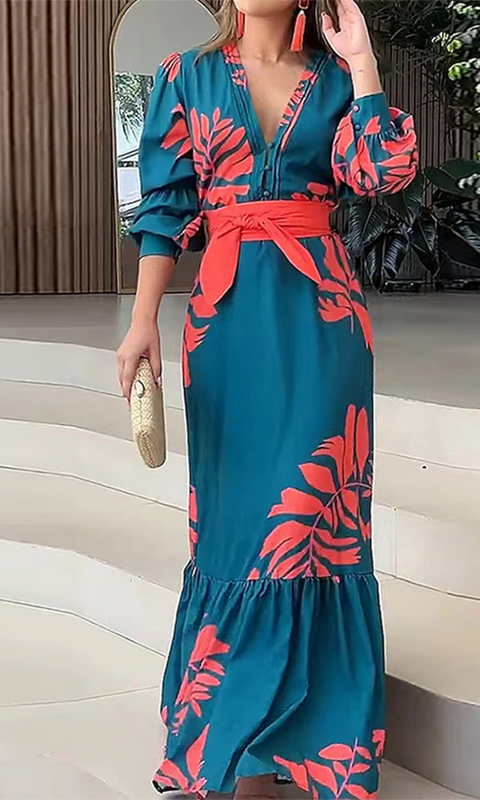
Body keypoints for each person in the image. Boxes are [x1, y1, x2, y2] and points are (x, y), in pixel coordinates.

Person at [118, 0, 417, 797]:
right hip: (225, 325)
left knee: (317, 520)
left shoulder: (333, 80)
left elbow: (379, 174)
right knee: (236, 523)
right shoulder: (185, 76)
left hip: (322, 323)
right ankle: (238, 741)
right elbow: (165, 208)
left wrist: (363, 64)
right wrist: (142, 320)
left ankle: (320, 743)